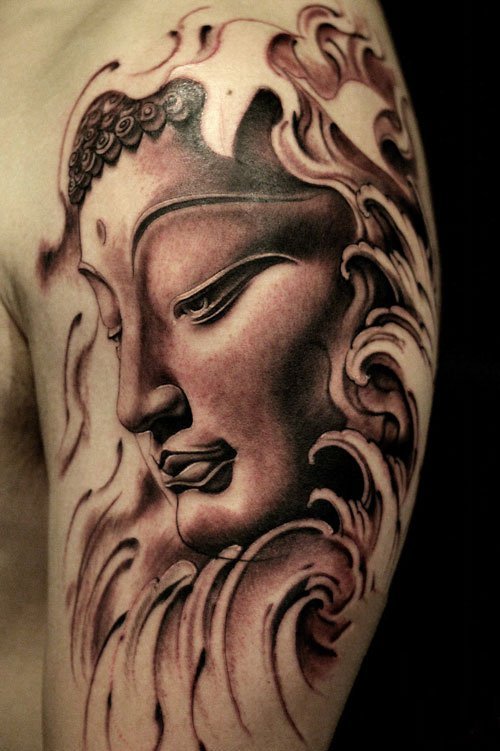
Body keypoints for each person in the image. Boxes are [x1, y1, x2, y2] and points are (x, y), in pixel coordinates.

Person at [0, 2, 439, 750]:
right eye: (113, 325)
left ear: (364, 280)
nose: (134, 402)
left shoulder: (215, 63)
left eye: (206, 297)